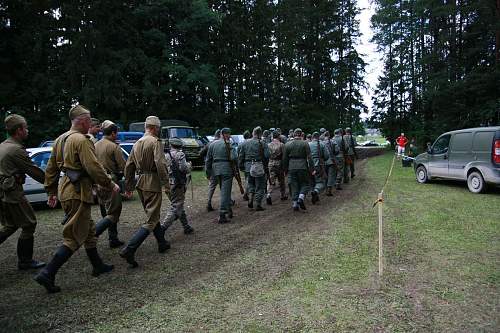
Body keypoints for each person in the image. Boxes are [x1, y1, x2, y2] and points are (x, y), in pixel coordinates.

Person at [35, 105, 120, 293]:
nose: (91, 123)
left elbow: (51, 168)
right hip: (78, 191)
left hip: (66, 188)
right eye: (89, 119)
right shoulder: (81, 140)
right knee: (74, 236)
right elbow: (93, 167)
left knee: (88, 231)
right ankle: (48, 273)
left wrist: (51, 191)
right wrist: (110, 183)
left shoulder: (60, 139)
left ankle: (97, 265)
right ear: (81, 120)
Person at [119, 116, 170, 268]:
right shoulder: (155, 142)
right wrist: (166, 184)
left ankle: (162, 243)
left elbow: (129, 166)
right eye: (159, 128)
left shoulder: (137, 143)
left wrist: (128, 186)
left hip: (140, 182)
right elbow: (160, 163)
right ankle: (130, 249)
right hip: (152, 182)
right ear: (155, 128)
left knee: (152, 215)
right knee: (151, 219)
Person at [0, 114, 46, 270]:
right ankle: (25, 261)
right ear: (19, 130)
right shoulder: (15, 150)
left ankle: (24, 261)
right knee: (29, 224)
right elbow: (35, 172)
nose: (27, 130)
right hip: (13, 193)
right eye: (25, 128)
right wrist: (53, 183)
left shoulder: (3, 146)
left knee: (10, 225)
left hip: (4, 193)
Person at [93, 120, 126, 248]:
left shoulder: (95, 145)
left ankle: (113, 238)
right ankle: (95, 233)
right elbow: (123, 166)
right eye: (116, 133)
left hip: (98, 181)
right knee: (114, 212)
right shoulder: (114, 147)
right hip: (111, 181)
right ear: (113, 133)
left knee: (105, 211)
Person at [160, 138, 194, 238]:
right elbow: (184, 169)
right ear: (180, 146)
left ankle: (186, 226)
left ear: (171, 145)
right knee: (176, 207)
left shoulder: (165, 156)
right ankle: (162, 228)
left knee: (178, 205)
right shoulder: (180, 154)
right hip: (178, 184)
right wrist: (189, 165)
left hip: (168, 184)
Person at [205, 127, 237, 223]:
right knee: (225, 192)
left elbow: (208, 160)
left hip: (215, 170)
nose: (230, 136)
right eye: (229, 134)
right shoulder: (229, 144)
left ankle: (229, 211)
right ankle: (222, 214)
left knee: (224, 190)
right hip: (226, 169)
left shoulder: (212, 144)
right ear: (226, 134)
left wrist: (208, 172)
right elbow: (234, 157)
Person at [238, 126, 270, 211]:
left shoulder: (245, 143)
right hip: (259, 166)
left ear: (253, 133)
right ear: (260, 133)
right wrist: (265, 164)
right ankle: (258, 204)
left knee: (251, 183)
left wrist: (241, 166)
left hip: (248, 167)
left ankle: (251, 197)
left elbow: (241, 156)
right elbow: (267, 155)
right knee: (260, 186)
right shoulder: (262, 143)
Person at [283, 128, 314, 211]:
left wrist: (285, 169)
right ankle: (301, 197)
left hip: (291, 166)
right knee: (305, 183)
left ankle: (295, 204)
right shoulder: (305, 144)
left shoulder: (288, 144)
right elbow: (310, 157)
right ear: (301, 135)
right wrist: (312, 169)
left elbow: (285, 158)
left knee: (293, 184)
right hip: (302, 166)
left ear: (294, 134)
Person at [266, 131, 287, 204]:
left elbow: (266, 155)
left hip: (271, 163)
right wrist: (285, 166)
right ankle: (282, 195)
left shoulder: (268, 145)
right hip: (279, 164)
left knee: (271, 181)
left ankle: (268, 194)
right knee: (281, 180)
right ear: (278, 136)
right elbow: (284, 157)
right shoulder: (282, 145)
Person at [308, 131, 329, 204]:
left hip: (309, 165)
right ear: (318, 137)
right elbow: (326, 156)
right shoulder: (322, 144)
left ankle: (313, 193)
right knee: (321, 182)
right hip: (318, 165)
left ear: (312, 137)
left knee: (311, 181)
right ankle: (316, 191)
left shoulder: (308, 144)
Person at [205, 129, 221, 211]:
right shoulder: (223, 143)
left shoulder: (209, 144)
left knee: (212, 186)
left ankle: (208, 202)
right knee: (224, 185)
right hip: (221, 167)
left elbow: (201, 153)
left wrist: (207, 171)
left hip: (212, 167)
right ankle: (227, 201)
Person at [323, 131, 340, 195]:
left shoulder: (321, 142)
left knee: (325, 175)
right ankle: (329, 190)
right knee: (331, 176)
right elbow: (337, 150)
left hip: (323, 162)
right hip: (331, 161)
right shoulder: (333, 142)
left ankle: (325, 189)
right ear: (329, 135)